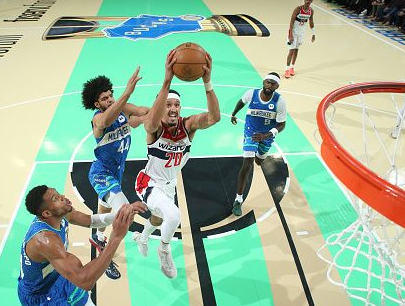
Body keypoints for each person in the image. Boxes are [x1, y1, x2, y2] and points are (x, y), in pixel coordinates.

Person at [18, 185, 146, 306]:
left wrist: (121, 215)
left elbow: (90, 220)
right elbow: (84, 280)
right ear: (46, 213)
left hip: (56, 279)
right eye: (55, 199)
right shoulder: (45, 241)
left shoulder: (60, 214)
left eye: (58, 193)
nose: (63, 197)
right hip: (40, 298)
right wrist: (116, 237)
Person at [133, 50, 220, 279]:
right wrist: (167, 79)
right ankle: (164, 249)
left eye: (176, 105)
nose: (172, 109)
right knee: (174, 216)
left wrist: (207, 81)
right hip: (149, 182)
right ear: (162, 107)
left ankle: (142, 238)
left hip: (169, 184)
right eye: (168, 104)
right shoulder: (155, 127)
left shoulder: (188, 125)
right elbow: (151, 120)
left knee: (158, 218)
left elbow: (214, 118)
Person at [81, 67, 149, 279]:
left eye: (111, 96)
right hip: (101, 173)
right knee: (124, 215)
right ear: (96, 104)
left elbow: (143, 114)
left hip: (116, 173)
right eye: (105, 98)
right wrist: (127, 92)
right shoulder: (98, 120)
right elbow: (106, 120)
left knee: (107, 210)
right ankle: (103, 254)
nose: (110, 100)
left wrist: (164, 100)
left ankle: (98, 235)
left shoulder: (123, 110)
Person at [230, 73, 286, 216]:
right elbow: (241, 101)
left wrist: (267, 135)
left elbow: (282, 124)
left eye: (273, 84)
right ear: (263, 82)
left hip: (266, 136)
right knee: (247, 164)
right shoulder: (251, 94)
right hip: (251, 132)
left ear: (277, 86)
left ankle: (259, 156)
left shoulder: (279, 101)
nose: (269, 85)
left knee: (259, 161)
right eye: (268, 82)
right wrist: (234, 113)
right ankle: (238, 199)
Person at [285, 0, 316, 78]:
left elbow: (311, 22)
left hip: (301, 33)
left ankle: (292, 68)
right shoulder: (298, 9)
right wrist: (290, 35)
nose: (308, 1)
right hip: (294, 32)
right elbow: (291, 22)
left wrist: (313, 33)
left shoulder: (311, 11)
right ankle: (287, 69)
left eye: (310, 0)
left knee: (296, 51)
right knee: (291, 51)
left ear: (312, 1)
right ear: (304, 0)